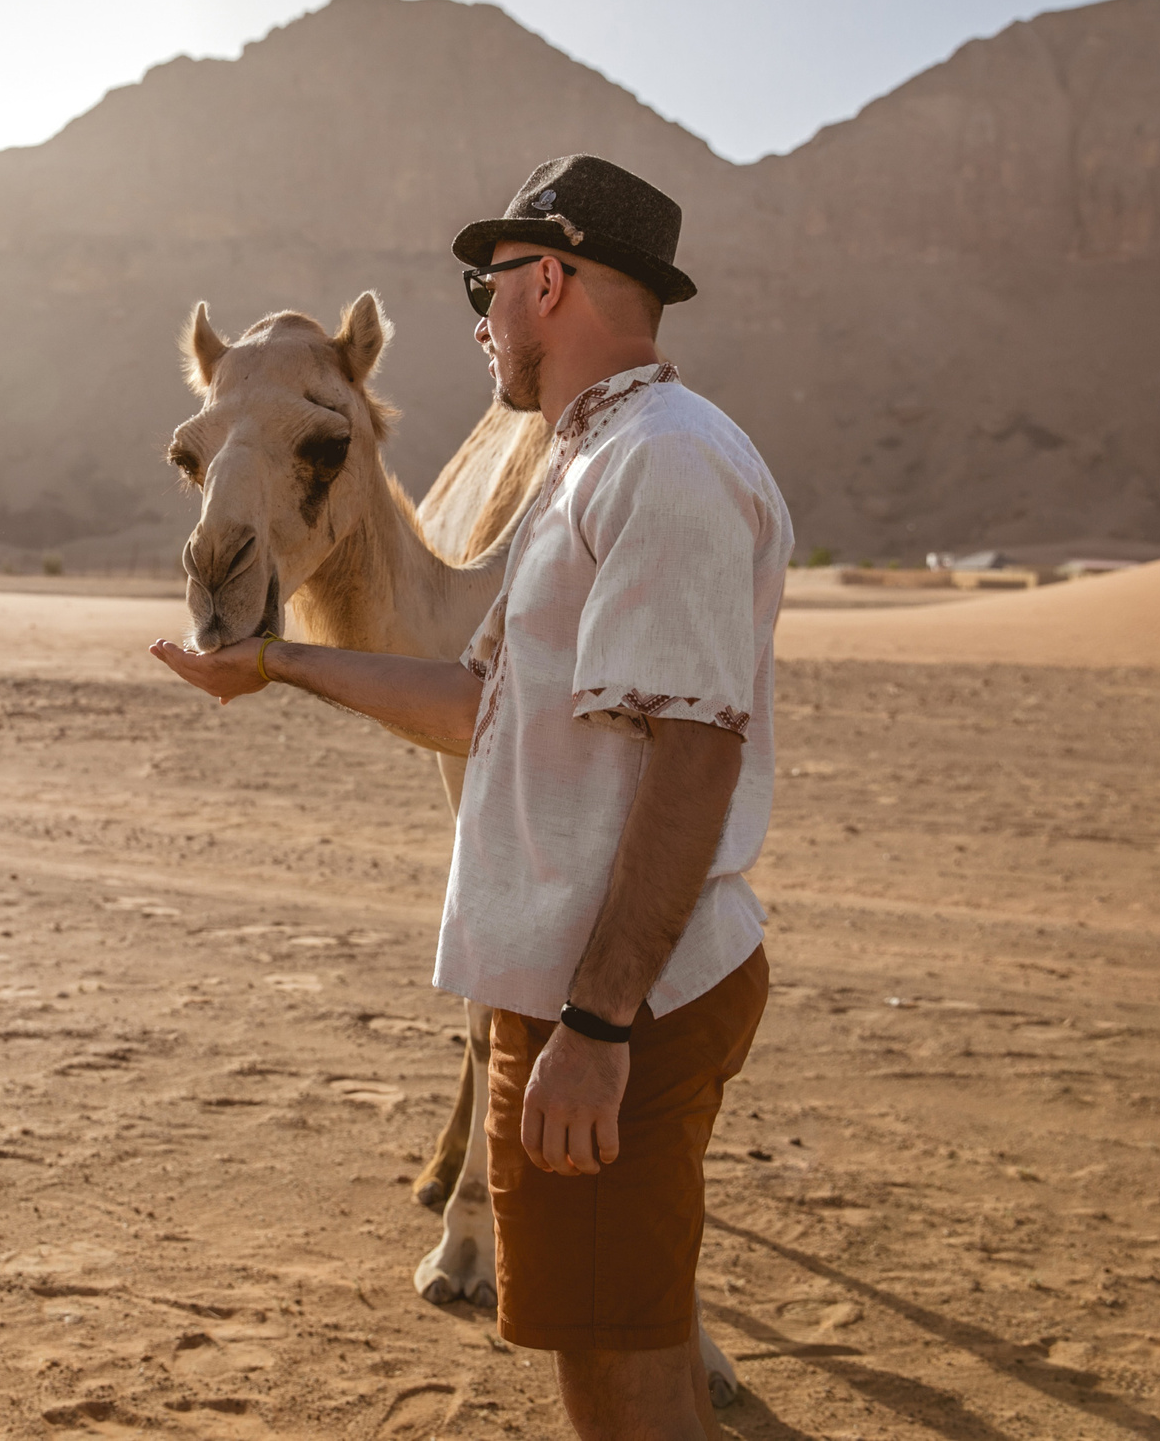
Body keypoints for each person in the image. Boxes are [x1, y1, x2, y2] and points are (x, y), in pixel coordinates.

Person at [152, 157, 789, 1441]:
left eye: (485, 287)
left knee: (624, 1370)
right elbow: (479, 703)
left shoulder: (659, 467)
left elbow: (695, 755)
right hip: (562, 991)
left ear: (546, 279)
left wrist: (598, 1029)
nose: (479, 319)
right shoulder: (578, 462)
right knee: (603, 1344)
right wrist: (277, 662)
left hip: (621, 1002)